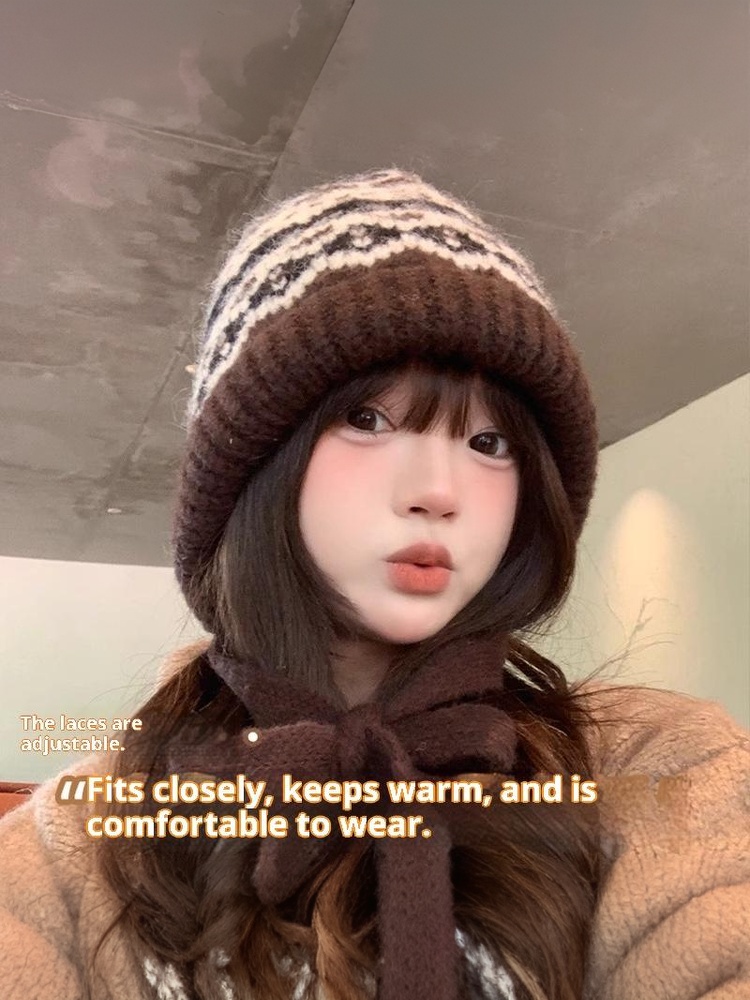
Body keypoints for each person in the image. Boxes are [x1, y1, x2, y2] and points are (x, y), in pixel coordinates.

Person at [0, 169, 748, 1000]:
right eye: (367, 420)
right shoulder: (76, 843)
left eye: (490, 443)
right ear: (256, 469)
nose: (438, 491)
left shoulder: (661, 768)